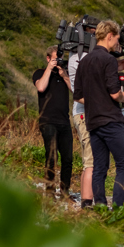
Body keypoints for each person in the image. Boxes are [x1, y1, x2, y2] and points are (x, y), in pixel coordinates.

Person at [73, 20, 124, 208]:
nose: (117, 43)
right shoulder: (108, 60)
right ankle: (117, 209)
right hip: (111, 120)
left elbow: (78, 96)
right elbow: (115, 93)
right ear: (109, 36)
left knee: (99, 167)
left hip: (93, 121)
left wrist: (96, 100)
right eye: (116, 39)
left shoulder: (84, 61)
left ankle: (99, 206)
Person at [32, 45, 73, 197]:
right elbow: (41, 88)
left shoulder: (64, 74)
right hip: (47, 121)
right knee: (51, 156)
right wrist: (49, 68)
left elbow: (75, 92)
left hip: (64, 121)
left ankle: (65, 192)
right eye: (55, 58)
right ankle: (49, 191)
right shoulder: (40, 73)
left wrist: (65, 76)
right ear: (48, 58)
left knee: (68, 158)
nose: (58, 62)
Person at [68, 16, 100, 208]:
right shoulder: (81, 58)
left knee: (90, 159)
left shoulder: (75, 57)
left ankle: (87, 200)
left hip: (82, 113)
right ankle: (87, 204)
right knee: (91, 160)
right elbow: (81, 93)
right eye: (94, 32)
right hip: (84, 113)